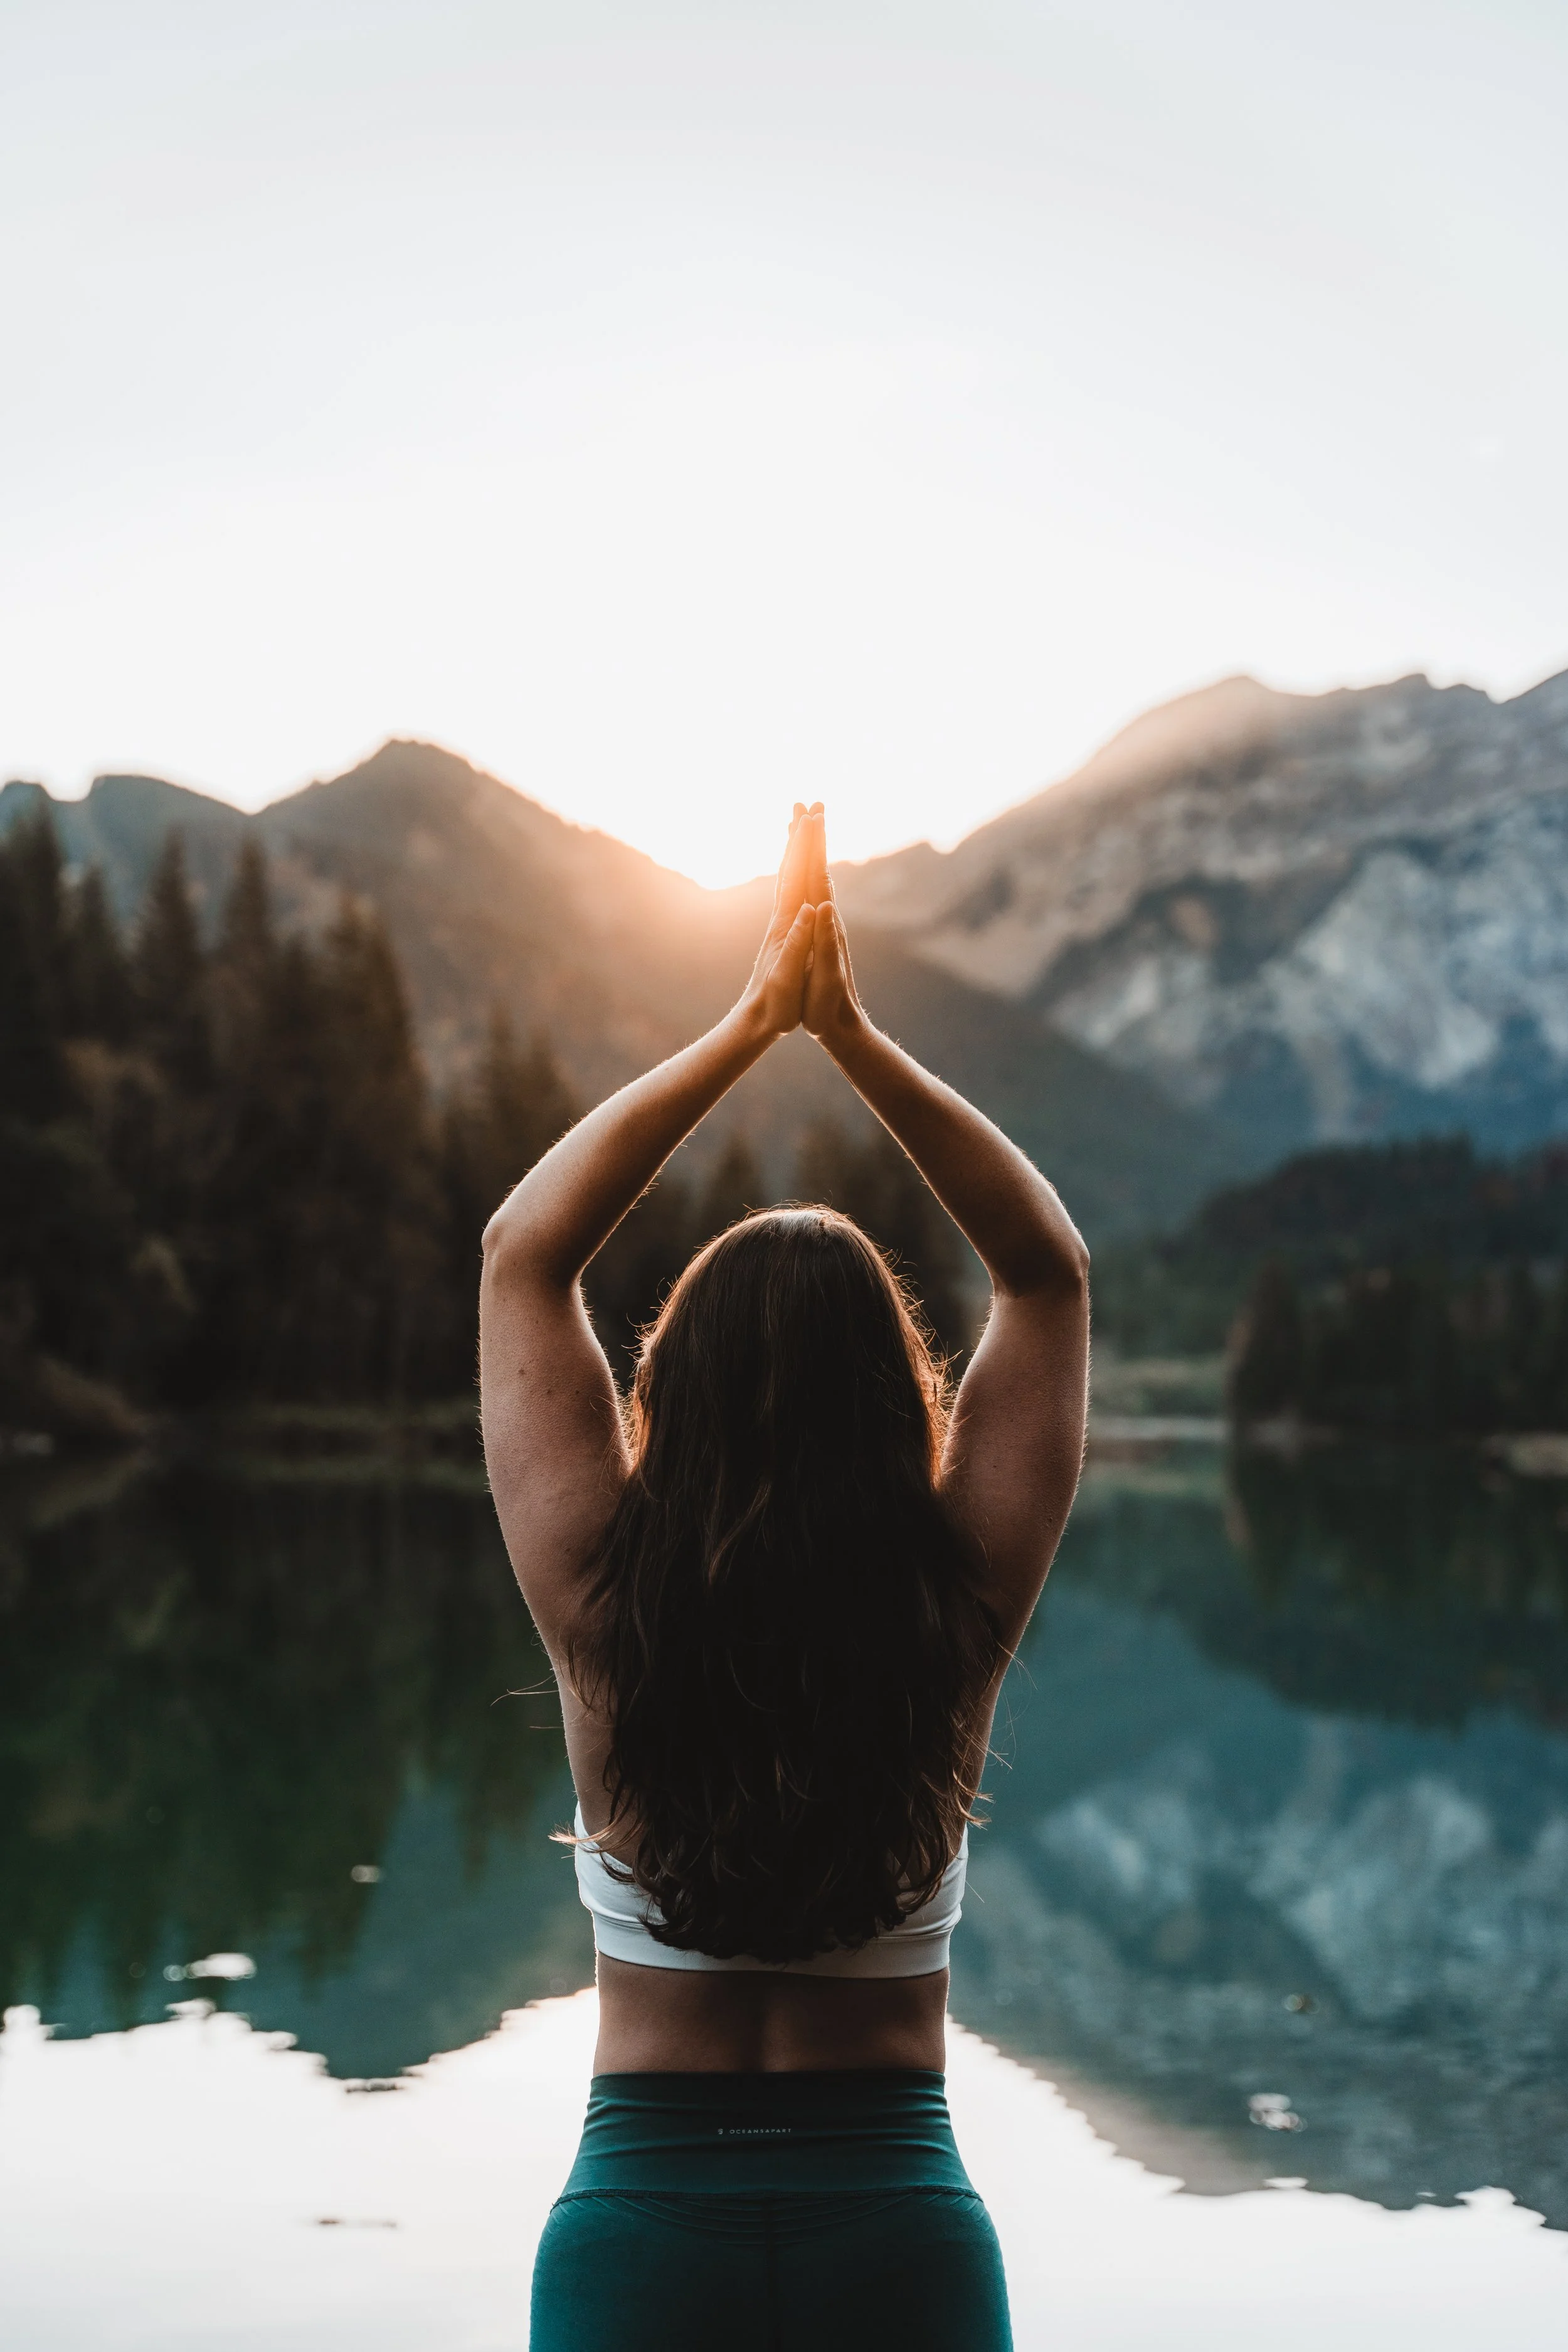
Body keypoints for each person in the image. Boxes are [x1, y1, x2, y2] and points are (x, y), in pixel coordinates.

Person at [480, 805, 1089, 2351]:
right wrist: (855, 1040)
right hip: (896, 2235)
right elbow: (1045, 1272)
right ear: (898, 1407)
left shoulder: (603, 1602)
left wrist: (749, 1029)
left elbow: (521, 1254)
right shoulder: (952, 1608)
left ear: (664, 1395)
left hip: (637, 2238)